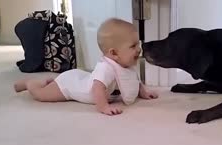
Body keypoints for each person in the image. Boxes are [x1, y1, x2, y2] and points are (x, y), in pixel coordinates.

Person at [14, 17, 158, 116]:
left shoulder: (124, 65)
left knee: (54, 85)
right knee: (42, 95)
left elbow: (133, 80)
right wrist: (103, 107)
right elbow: (97, 89)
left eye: (138, 44)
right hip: (69, 86)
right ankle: (30, 84)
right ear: (114, 53)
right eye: (133, 46)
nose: (139, 49)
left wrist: (143, 92)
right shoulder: (106, 69)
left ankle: (50, 81)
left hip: (78, 76)